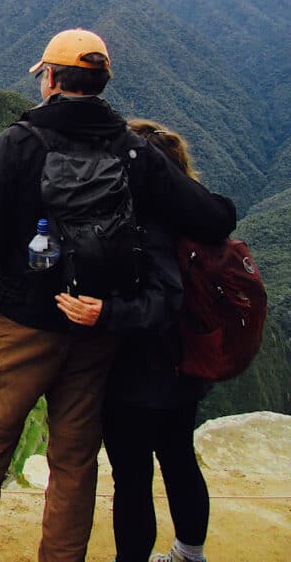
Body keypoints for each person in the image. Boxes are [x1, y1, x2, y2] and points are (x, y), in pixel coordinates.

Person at [0, 29, 235, 562]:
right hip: (96, 336)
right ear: (101, 84)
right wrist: (220, 207)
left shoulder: (18, 143)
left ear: (50, 79)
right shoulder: (135, 151)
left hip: (23, 326)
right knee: (73, 464)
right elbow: (211, 218)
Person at [57, 119, 223, 562]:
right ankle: (190, 552)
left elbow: (163, 300)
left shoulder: (146, 224)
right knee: (178, 457)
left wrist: (106, 312)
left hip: (138, 373)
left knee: (132, 476)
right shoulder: (191, 219)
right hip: (183, 366)